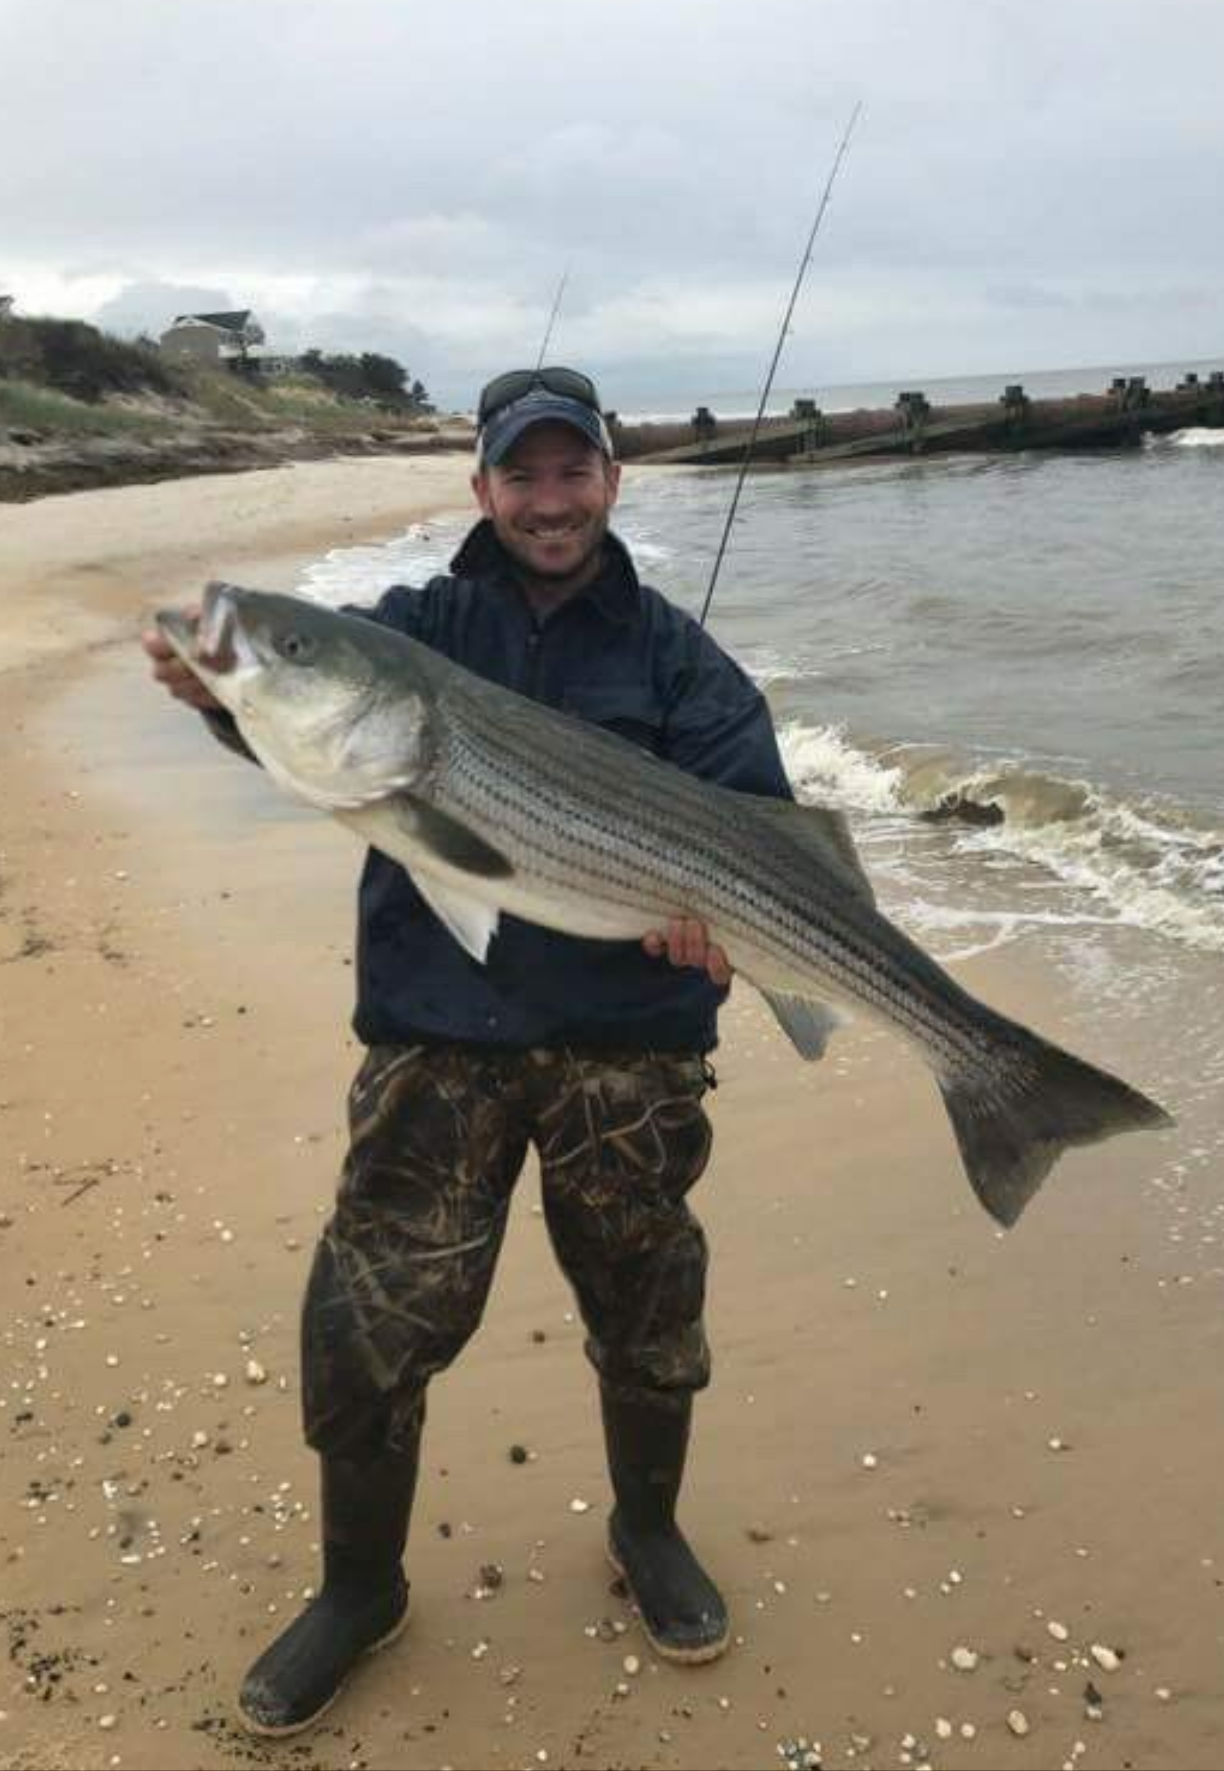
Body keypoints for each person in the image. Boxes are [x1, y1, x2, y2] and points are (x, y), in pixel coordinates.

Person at [141, 365, 794, 1737]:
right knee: (371, 1318)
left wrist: (719, 926)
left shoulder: (683, 662)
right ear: (481, 486)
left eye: (573, 473)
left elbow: (764, 838)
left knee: (647, 1306)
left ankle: (648, 1532)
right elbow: (324, 730)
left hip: (632, 1046)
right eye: (522, 475)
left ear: (612, 480)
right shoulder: (417, 629)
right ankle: (359, 1585)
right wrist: (224, 686)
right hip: (440, 1039)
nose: (549, 502)